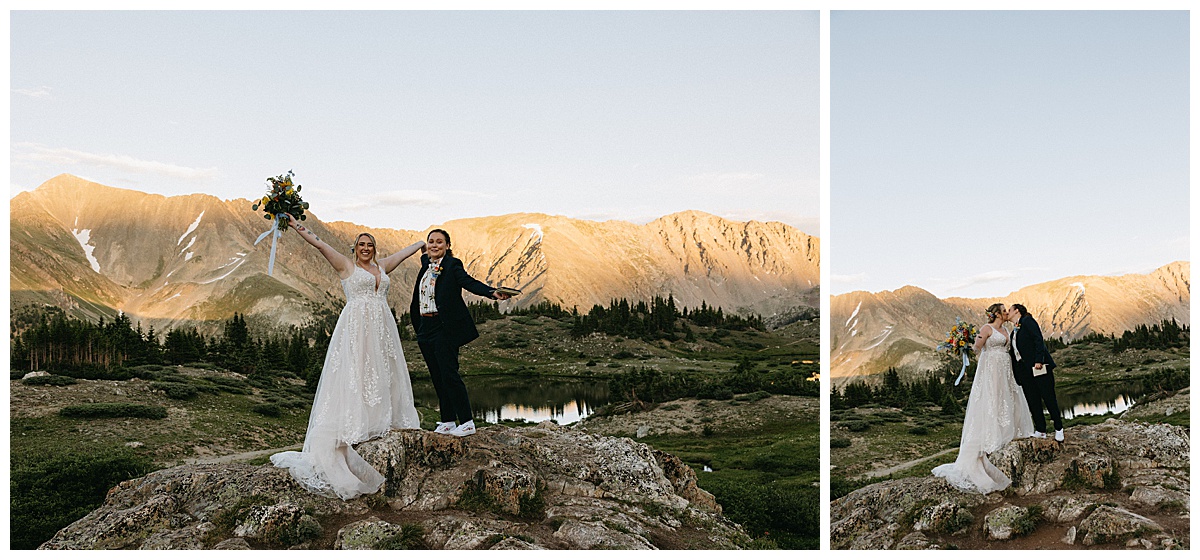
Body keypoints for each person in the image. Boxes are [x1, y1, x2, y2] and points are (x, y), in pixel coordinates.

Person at [270, 215, 425, 499]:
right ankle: (357, 421)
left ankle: (382, 417)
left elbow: (402, 256)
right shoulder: (346, 265)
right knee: (357, 372)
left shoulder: (382, 266)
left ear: (374, 249)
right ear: (355, 248)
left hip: (381, 328)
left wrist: (420, 243)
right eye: (361, 244)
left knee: (383, 371)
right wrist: (293, 223)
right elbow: (319, 243)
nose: (366, 248)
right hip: (356, 328)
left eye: (370, 245)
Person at [410, 228, 510, 437]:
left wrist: (491, 292)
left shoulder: (453, 266)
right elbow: (422, 254)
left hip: (444, 327)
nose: (435, 245)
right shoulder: (425, 265)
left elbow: (469, 282)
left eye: (439, 242)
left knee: (449, 374)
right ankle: (447, 420)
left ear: (448, 246)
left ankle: (466, 421)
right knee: (437, 376)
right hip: (425, 328)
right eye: (431, 242)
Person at [932, 303, 1034, 493]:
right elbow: (977, 348)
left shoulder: (1005, 329)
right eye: (1003, 310)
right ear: (995, 313)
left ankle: (1008, 430)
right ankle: (991, 435)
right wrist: (963, 342)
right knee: (992, 399)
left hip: (1005, 370)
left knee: (1008, 398)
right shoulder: (986, 329)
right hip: (991, 369)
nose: (1006, 313)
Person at [1008, 303, 1064, 442]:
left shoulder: (1027, 321)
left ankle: (1059, 428)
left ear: (1016, 311)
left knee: (1048, 397)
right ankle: (1041, 430)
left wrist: (1039, 360)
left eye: (1009, 310)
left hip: (1039, 368)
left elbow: (1038, 339)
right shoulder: (1013, 331)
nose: (1007, 313)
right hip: (1025, 372)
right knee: (1033, 400)